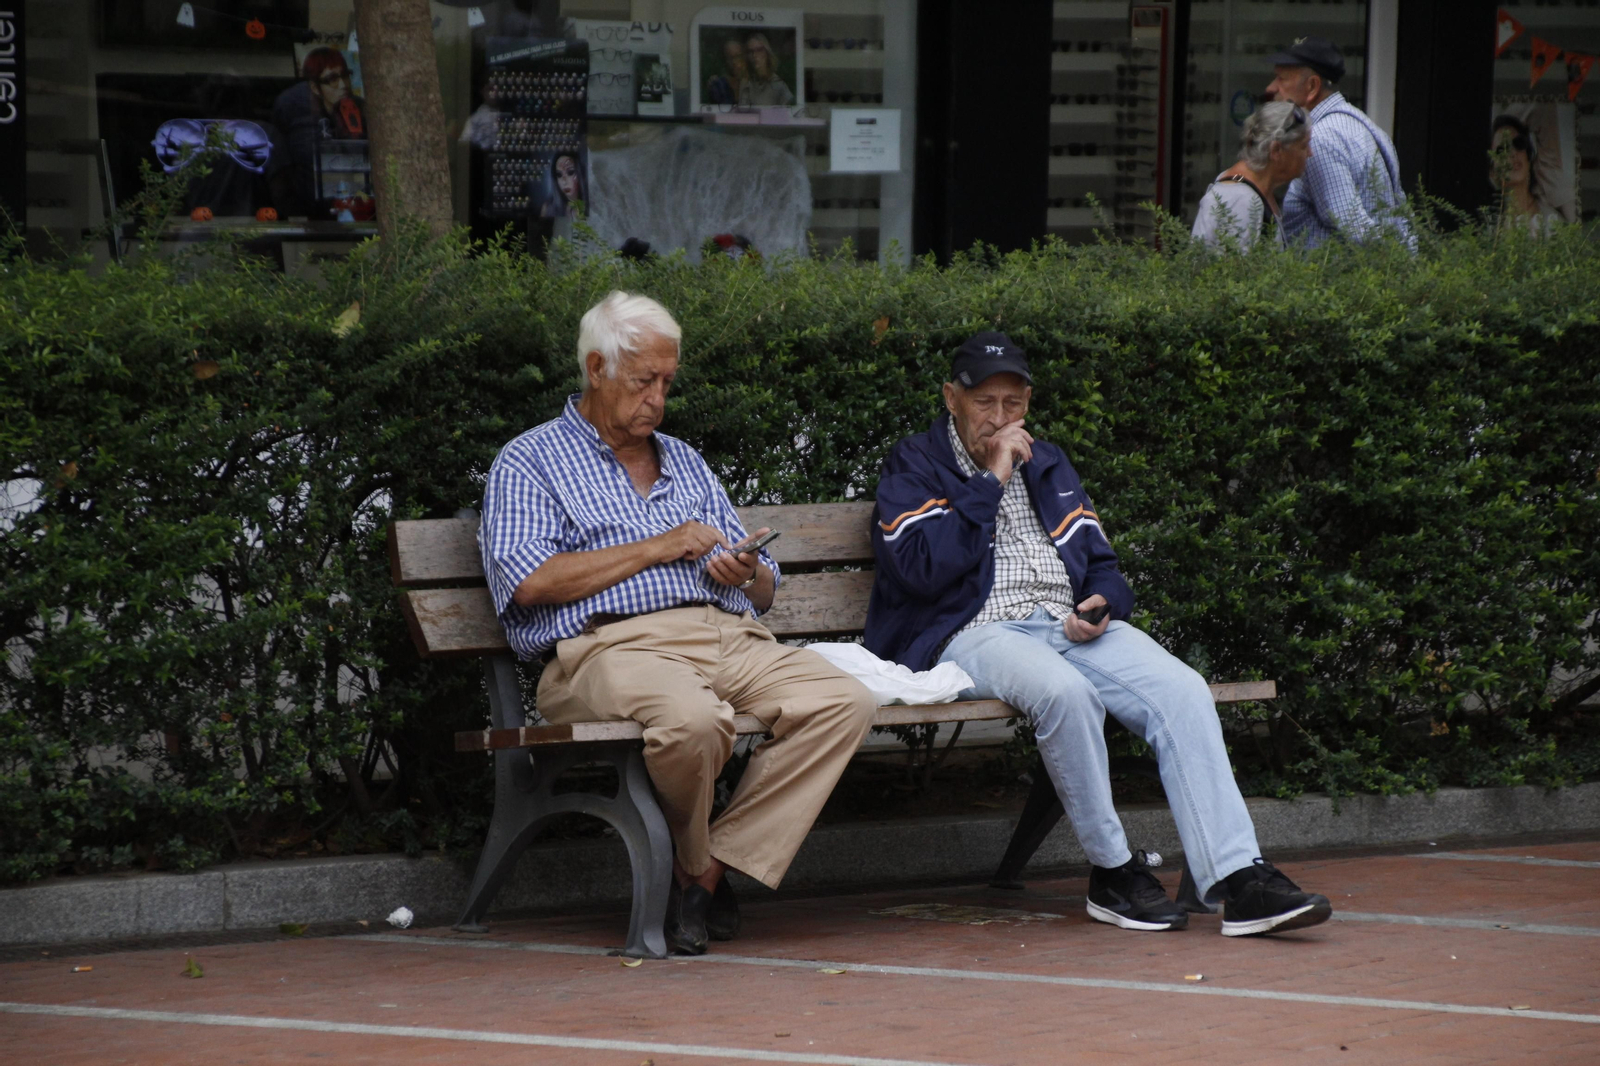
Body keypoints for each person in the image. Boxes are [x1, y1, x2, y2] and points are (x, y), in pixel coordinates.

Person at [865, 332, 1333, 938]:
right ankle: (1113, 871)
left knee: (1182, 689)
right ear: (952, 397)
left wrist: (1103, 602)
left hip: (1065, 624)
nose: (1002, 420)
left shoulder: (1050, 461)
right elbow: (923, 570)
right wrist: (991, 479)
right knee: (1066, 694)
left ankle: (1241, 880)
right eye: (986, 404)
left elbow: (1102, 562)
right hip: (973, 630)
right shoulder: (914, 463)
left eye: (1014, 404)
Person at [479, 291, 877, 956]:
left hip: (725, 636)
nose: (658, 398)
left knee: (844, 701)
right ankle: (699, 875)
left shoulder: (685, 460)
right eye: (644, 381)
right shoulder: (530, 461)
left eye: (667, 381)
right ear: (597, 367)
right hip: (608, 650)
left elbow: (768, 587)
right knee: (692, 723)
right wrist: (658, 546)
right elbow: (529, 583)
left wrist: (744, 572)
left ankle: (702, 871)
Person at [1264, 36, 1412, 249]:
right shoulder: (1362, 123)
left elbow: (1353, 227)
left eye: (1281, 79)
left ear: (1312, 86)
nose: (1271, 88)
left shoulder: (1320, 139)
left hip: (1337, 279)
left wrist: (1397, 258)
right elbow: (1398, 214)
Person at [1191, 101, 1312, 250]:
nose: (1310, 153)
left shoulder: (1254, 191)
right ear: (1276, 151)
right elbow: (1232, 271)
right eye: (1304, 146)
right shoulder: (1240, 201)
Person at [271, 48, 367, 217]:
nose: (343, 85)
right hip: (310, 215)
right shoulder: (294, 109)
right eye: (332, 79)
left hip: (358, 212)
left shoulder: (361, 110)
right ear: (315, 87)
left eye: (345, 75)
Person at [1488, 115, 1561, 232]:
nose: (1513, 153)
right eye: (1502, 149)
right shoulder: (1488, 226)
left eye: (1518, 143)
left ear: (1529, 157)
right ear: (1492, 172)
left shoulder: (1553, 221)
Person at [738, 33, 795, 107]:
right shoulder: (746, 83)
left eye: (759, 50)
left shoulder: (778, 85)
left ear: (767, 53)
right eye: (751, 51)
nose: (754, 55)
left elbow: (789, 113)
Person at [540, 151, 584, 218]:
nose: (564, 182)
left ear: (579, 172)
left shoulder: (593, 205)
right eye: (559, 175)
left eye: (570, 172)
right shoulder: (548, 208)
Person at [705, 37, 748, 105]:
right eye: (730, 58)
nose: (734, 62)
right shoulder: (719, 86)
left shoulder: (755, 84)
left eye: (738, 56)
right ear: (725, 60)